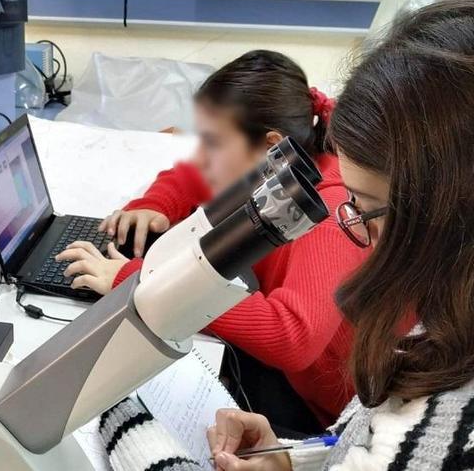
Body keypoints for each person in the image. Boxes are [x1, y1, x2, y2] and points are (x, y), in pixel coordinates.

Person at [204, 0, 474, 471]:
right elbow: (366, 434)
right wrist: (293, 460)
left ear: (471, 213)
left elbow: (397, 444)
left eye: (370, 210)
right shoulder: (461, 317)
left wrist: (123, 417)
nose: (359, 229)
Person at [57, 51, 368, 433]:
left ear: (272, 144)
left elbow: (292, 337)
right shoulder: (280, 167)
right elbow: (189, 176)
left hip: (331, 415)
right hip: (302, 380)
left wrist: (139, 281)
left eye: (213, 143)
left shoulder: (329, 213)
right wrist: (152, 206)